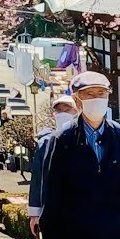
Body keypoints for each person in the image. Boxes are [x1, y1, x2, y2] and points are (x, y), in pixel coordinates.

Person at [29, 72, 120, 239]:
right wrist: (47, 226)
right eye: (89, 94)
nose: (96, 99)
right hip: (72, 229)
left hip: (112, 228)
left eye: (101, 93)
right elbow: (51, 191)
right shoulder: (62, 138)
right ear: (77, 99)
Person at [27, 95, 80, 224]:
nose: (62, 114)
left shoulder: (86, 138)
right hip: (53, 209)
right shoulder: (46, 142)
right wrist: (35, 212)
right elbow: (38, 177)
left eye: (67, 110)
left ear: (77, 111)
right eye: (59, 111)